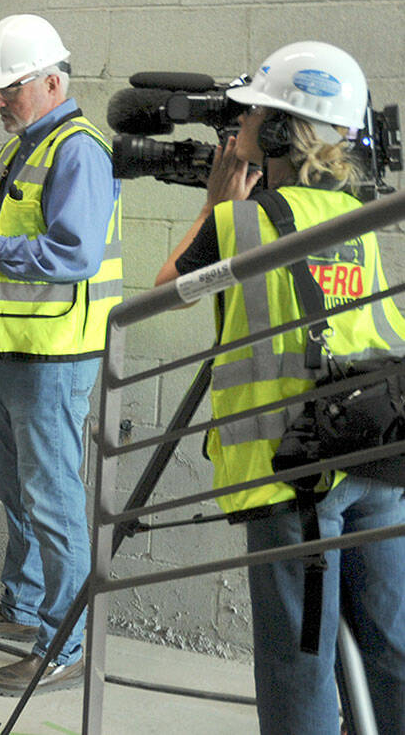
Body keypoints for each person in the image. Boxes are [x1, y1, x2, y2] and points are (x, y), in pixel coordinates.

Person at [156, 41, 405, 734]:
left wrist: (213, 205)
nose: (236, 130)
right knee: (393, 647)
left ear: (274, 132)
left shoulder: (242, 222)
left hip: (291, 467)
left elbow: (159, 293)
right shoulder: (359, 215)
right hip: (377, 451)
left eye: (249, 117)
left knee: (299, 662)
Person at [0, 14, 122, 696]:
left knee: (55, 500)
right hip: (9, 346)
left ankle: (62, 647)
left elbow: (75, 254)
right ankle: (23, 608)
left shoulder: (79, 150)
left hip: (55, 354)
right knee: (17, 490)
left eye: (10, 87)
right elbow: (3, 242)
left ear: (53, 81)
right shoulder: (16, 152)